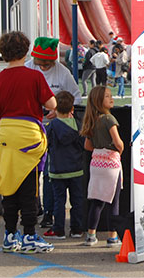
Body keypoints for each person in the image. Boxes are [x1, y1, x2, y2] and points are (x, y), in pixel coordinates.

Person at [0, 31, 56, 253]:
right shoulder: (34, 77)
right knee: (29, 188)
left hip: (7, 134)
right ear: (26, 50)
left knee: (9, 185)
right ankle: (29, 235)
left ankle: (9, 234)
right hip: (29, 137)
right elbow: (52, 103)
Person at [25, 36, 82, 229]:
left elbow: (77, 97)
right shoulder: (28, 68)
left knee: (50, 172)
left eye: (47, 64)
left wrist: (59, 112)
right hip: (31, 125)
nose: (43, 68)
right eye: (40, 64)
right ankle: (34, 206)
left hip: (54, 128)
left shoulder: (62, 73)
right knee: (32, 171)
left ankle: (48, 211)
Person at [80, 86, 125, 247]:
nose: (111, 98)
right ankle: (112, 236)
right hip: (111, 163)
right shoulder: (109, 119)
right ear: (100, 101)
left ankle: (91, 235)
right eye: (107, 96)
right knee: (114, 200)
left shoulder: (92, 120)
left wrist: (99, 149)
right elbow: (118, 142)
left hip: (96, 162)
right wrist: (119, 149)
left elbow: (87, 145)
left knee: (97, 200)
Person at [44, 91, 85, 240]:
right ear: (72, 109)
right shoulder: (78, 124)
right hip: (76, 168)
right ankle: (77, 228)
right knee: (77, 201)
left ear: (55, 109)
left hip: (57, 169)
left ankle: (58, 229)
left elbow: (45, 144)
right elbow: (83, 144)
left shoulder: (52, 126)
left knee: (59, 201)